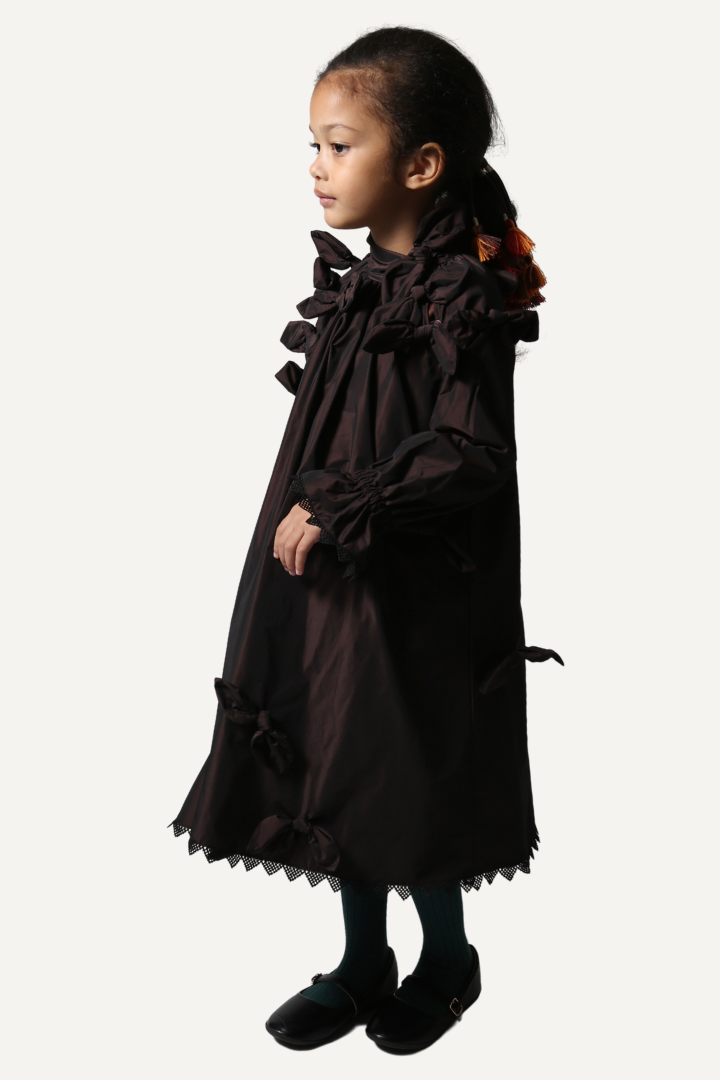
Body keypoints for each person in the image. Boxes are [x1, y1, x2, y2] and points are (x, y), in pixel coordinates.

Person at [169, 25, 563, 1054]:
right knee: (334, 747)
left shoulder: (458, 295)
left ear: (421, 164)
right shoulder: (361, 283)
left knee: (403, 761)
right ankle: (360, 962)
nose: (317, 166)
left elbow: (469, 451)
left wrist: (346, 505)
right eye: (313, 145)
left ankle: (448, 958)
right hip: (329, 572)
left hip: (414, 581)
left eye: (339, 146)